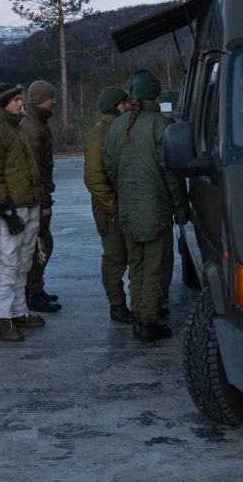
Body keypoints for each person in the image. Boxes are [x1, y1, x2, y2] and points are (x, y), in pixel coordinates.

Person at [104, 71, 189, 343]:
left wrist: (124, 196)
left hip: (128, 209)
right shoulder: (163, 125)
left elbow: (111, 168)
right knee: (155, 267)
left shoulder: (117, 126)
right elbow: (172, 174)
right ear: (157, 96)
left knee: (137, 266)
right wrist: (181, 209)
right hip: (155, 211)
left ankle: (140, 317)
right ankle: (149, 323)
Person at [0, 83, 46, 342]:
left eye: (21, 99)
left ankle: (17, 313)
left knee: (22, 264)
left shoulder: (16, 129)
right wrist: (6, 210)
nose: (20, 103)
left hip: (28, 205)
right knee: (5, 264)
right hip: (10, 209)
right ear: (4, 102)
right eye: (16, 100)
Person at [83, 86, 134, 324]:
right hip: (110, 210)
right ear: (116, 106)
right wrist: (114, 207)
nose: (128, 106)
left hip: (126, 205)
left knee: (135, 255)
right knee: (115, 258)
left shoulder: (123, 127)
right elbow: (94, 178)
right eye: (125, 103)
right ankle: (117, 305)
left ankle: (141, 305)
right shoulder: (99, 134)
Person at [21, 80, 61, 313]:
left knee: (40, 244)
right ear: (38, 101)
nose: (54, 101)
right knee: (41, 245)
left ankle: (35, 288)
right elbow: (35, 171)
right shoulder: (33, 129)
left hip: (38, 197)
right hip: (35, 200)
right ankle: (33, 292)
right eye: (50, 98)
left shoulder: (37, 123)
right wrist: (44, 203)